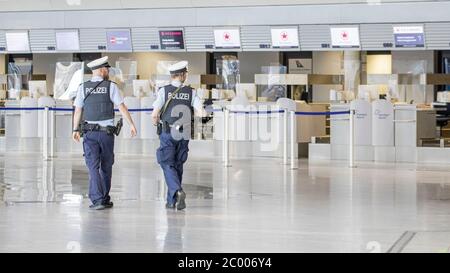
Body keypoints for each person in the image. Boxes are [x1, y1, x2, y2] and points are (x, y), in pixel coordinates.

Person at [72, 56, 137, 210]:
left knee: (93, 166)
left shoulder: (83, 87)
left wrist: (75, 129)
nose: (108, 71)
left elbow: (78, 110)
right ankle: (104, 198)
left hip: (89, 133)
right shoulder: (111, 86)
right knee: (106, 165)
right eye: (107, 69)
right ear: (101, 70)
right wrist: (132, 124)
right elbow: (121, 107)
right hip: (107, 134)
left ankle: (98, 199)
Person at [151, 61, 206, 210]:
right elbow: (202, 113)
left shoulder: (164, 91)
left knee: (167, 163)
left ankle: (178, 191)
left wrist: (156, 124)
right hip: (184, 133)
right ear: (182, 75)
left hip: (168, 132)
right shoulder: (191, 92)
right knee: (178, 165)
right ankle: (171, 201)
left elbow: (155, 114)